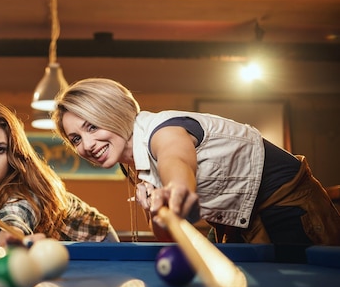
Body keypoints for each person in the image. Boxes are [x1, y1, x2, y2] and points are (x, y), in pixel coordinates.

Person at [52, 78, 340, 245]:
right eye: (75, 138)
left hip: (290, 208)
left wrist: (176, 188)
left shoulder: (163, 130)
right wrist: (156, 210)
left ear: (113, 113)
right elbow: (171, 237)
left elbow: (176, 159)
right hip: (239, 223)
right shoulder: (137, 166)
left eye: (92, 127)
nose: (87, 145)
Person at [0, 100, 118, 249]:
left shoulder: (21, 196)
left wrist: (11, 238)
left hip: (98, 245)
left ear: (12, 154)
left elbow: (14, 217)